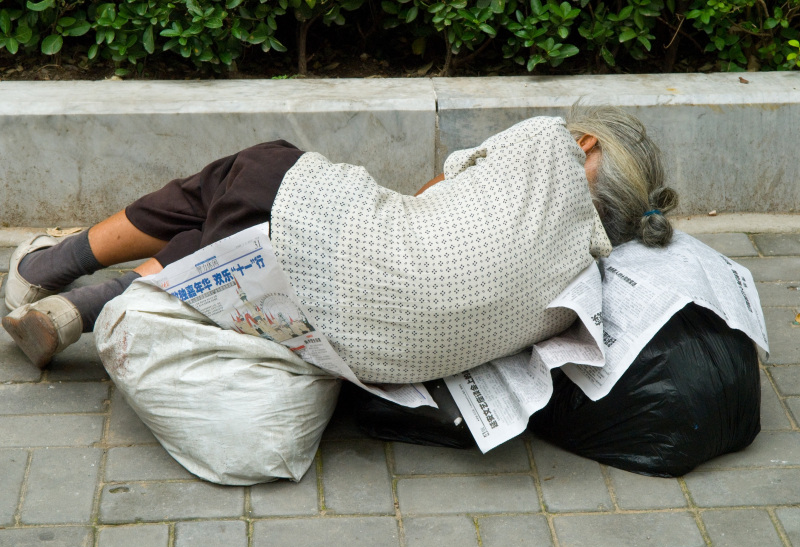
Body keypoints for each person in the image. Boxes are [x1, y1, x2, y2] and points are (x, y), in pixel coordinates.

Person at [3, 104, 678, 379]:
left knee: (246, 173)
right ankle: (75, 313)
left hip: (338, 264)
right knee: (243, 230)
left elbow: (433, 192)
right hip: (363, 358)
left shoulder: (548, 144)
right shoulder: (586, 276)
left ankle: (47, 265)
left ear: (587, 144)